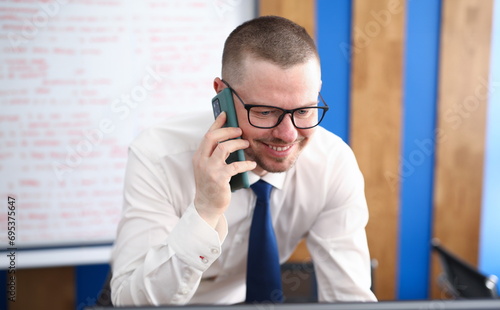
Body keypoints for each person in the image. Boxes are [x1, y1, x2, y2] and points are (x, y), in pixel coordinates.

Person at [110, 15, 377, 306]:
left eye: (304, 110)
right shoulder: (158, 156)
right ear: (221, 95)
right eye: (265, 111)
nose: (287, 135)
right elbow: (131, 303)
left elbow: (348, 297)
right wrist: (205, 211)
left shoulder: (331, 164)